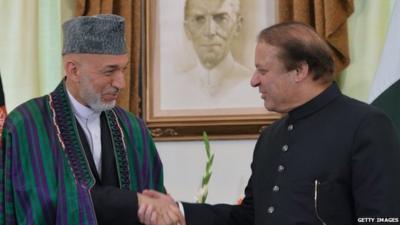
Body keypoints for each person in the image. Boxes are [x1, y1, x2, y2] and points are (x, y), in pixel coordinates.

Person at [139, 22, 400, 225]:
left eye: (263, 71)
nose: (253, 81)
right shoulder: (271, 137)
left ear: (300, 71)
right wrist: (179, 210)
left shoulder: (366, 125)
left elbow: (381, 218)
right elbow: (249, 217)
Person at [0, 14, 182, 225]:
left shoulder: (133, 129)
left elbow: (156, 203)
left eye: (123, 69)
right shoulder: (26, 125)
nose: (121, 83)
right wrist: (132, 202)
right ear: (73, 70)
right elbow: (33, 204)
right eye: (109, 71)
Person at [162, 0, 258, 110]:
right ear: (187, 29)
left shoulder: (252, 84)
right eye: (199, 19)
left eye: (221, 18)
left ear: (238, 26)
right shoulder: (172, 88)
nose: (210, 31)